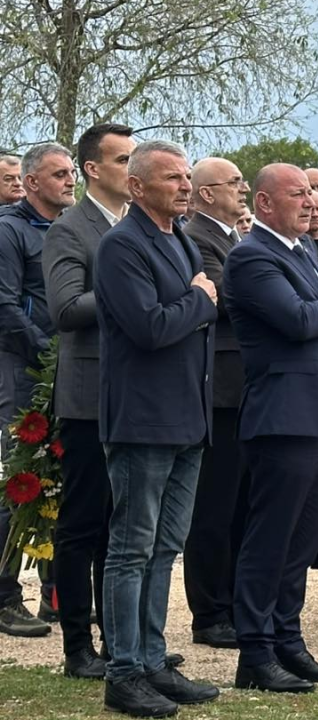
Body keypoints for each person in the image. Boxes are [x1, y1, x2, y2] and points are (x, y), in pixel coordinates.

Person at [224, 163, 318, 693]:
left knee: (301, 542)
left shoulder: (303, 250)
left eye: (312, 193)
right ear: (263, 203)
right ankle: (255, 653)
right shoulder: (252, 257)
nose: (311, 202)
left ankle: (287, 639)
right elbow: (300, 322)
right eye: (298, 194)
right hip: (285, 419)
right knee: (271, 540)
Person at [95, 139, 220, 716]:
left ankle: (151, 659)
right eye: (172, 178)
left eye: (187, 175)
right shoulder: (122, 247)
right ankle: (123, 672)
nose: (185, 185)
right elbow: (149, 328)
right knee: (131, 547)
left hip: (187, 417)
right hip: (144, 419)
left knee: (165, 547)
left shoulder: (183, 242)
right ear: (139, 186)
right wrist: (199, 300)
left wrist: (197, 300)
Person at [43, 123, 135, 676]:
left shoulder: (139, 227)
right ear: (93, 170)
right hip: (88, 396)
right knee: (83, 526)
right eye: (123, 159)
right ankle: (77, 645)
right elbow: (65, 309)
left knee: (123, 529)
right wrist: (131, 289)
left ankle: (120, 640)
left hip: (135, 394)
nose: (132, 167)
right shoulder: (71, 230)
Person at [0, 142, 77, 638]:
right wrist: (48, 356)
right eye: (59, 174)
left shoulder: (70, 229)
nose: (70, 181)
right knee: (21, 481)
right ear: (30, 183)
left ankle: (57, 594)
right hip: (26, 370)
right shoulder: (9, 231)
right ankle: (6, 595)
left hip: (68, 371)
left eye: (72, 172)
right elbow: (5, 305)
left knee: (64, 479)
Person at [181, 156, 250, 651]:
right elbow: (223, 297)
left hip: (245, 388)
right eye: (235, 182)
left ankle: (232, 603)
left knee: (240, 504)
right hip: (219, 390)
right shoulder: (197, 238)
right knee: (214, 507)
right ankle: (209, 613)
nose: (243, 189)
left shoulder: (232, 237)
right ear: (207, 193)